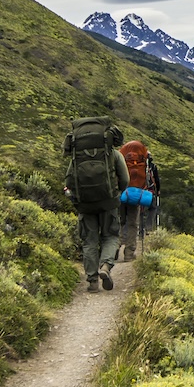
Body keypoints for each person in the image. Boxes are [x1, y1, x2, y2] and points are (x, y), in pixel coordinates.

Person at [64, 117, 129, 293]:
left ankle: (92, 282)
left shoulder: (77, 158)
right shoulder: (114, 155)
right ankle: (106, 266)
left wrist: (74, 196)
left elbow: (69, 179)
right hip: (108, 202)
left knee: (89, 241)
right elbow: (125, 179)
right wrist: (117, 193)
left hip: (85, 204)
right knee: (110, 236)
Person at [119, 140, 154, 261]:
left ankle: (113, 250)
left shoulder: (121, 155)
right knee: (133, 224)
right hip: (136, 193)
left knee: (119, 221)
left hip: (121, 192)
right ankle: (129, 253)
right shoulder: (144, 158)